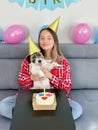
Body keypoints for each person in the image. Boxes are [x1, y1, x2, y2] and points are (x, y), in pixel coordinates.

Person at [0, 21, 82, 120]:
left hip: (55, 98)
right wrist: (31, 78)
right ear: (39, 40)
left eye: (49, 38)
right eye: (42, 38)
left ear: (55, 41)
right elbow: (21, 80)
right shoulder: (30, 58)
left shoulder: (62, 62)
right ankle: (43, 119)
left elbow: (67, 89)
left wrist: (50, 76)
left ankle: (33, 119)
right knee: (3, 105)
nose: (45, 41)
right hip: (31, 96)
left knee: (77, 109)